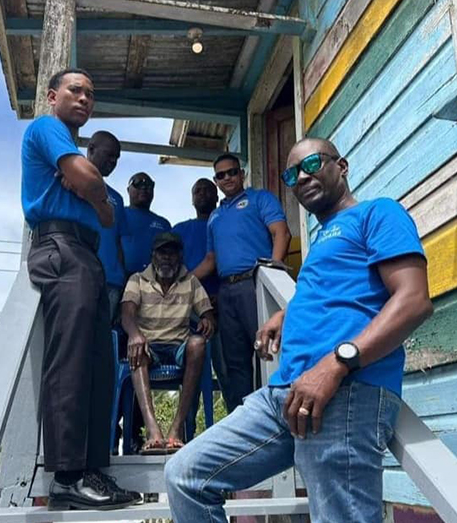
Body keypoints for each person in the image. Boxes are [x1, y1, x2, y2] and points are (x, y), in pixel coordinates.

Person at [165, 138, 434, 522]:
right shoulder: (322, 239)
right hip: (283, 395)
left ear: (341, 166)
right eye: (292, 173)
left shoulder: (378, 213)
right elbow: (333, 295)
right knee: (185, 475)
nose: (302, 176)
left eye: (311, 163)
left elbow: (413, 300)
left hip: (344, 392)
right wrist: (286, 316)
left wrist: (336, 364)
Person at [21, 67, 139, 511]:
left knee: (99, 367)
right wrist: (90, 186)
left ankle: (93, 470)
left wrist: (88, 184)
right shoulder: (47, 128)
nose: (85, 98)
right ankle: (67, 476)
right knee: (70, 360)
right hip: (59, 246)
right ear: (53, 96)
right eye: (76, 90)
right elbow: (94, 188)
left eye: (91, 92)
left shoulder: (71, 151)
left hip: (87, 254)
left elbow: (108, 214)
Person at [192, 154, 291, 413]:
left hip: (254, 284)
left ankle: (277, 414)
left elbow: (281, 232)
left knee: (267, 350)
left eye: (232, 172)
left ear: (241, 174)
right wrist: (184, 280)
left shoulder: (260, 199)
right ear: (216, 181)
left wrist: (274, 267)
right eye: (221, 175)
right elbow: (211, 259)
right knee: (234, 361)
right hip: (226, 291)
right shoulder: (214, 216)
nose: (228, 178)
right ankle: (245, 417)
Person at [121, 232, 216, 454]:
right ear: (153, 256)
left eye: (172, 253)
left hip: (178, 347)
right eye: (162, 253)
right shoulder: (138, 280)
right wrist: (135, 335)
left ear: (180, 256)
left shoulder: (190, 282)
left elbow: (209, 314)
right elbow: (127, 314)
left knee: (198, 343)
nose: (167, 258)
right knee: (135, 347)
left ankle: (176, 430)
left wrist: (207, 320)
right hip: (149, 346)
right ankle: (153, 431)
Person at [85, 131, 127, 323]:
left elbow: (118, 241)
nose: (113, 162)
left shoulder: (117, 199)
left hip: (112, 282)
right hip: (83, 277)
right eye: (109, 155)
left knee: (103, 342)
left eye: (116, 158)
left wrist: (122, 279)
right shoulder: (73, 183)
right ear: (91, 149)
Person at [172, 179, 220, 299]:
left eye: (207, 190)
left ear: (217, 197)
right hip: (187, 296)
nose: (202, 193)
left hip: (222, 294)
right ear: (192, 200)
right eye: (197, 191)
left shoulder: (226, 224)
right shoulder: (179, 229)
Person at [122, 172, 172, 275]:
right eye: (137, 183)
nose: (143, 188)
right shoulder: (117, 214)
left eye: (148, 184)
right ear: (128, 190)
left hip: (153, 282)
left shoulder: (164, 224)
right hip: (120, 281)